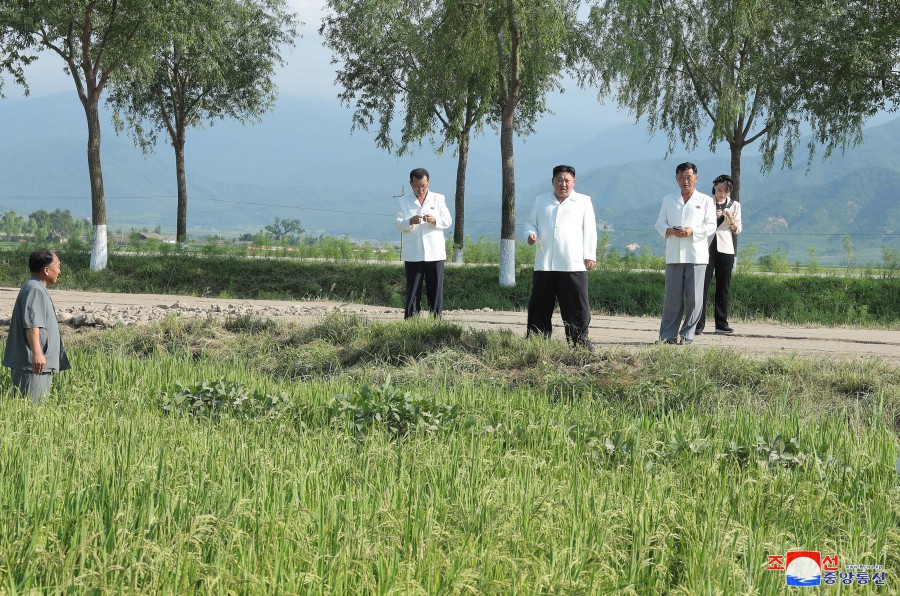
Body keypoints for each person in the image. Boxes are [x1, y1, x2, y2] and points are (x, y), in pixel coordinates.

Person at [525, 165, 598, 348]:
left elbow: (590, 230)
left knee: (576, 306)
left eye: (567, 180)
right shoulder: (541, 201)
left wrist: (589, 255)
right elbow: (529, 223)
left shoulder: (583, 201)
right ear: (552, 182)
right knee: (540, 306)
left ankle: (579, 342)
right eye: (559, 180)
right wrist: (531, 234)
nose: (563, 184)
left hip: (573, 264)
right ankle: (537, 342)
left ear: (574, 182)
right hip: (545, 264)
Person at [654, 162, 717, 344]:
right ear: (676, 178)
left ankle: (687, 334)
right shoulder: (669, 199)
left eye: (689, 177)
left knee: (695, 299)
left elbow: (711, 225)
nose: (685, 180)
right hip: (674, 255)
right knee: (672, 299)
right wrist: (670, 230)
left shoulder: (705, 201)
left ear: (696, 178)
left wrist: (692, 231)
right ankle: (667, 336)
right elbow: (659, 223)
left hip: (696, 255)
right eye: (681, 177)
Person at [3, 248, 70, 403]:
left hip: (35, 364)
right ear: (46, 270)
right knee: (33, 409)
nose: (59, 271)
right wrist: (37, 354)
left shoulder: (34, 287)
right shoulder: (34, 289)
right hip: (34, 365)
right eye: (57, 266)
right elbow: (32, 324)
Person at [395, 168, 452, 318]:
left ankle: (436, 320)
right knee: (413, 290)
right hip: (414, 253)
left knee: (435, 290)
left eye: (424, 186)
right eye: (417, 186)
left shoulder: (438, 199)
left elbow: (448, 221)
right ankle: (411, 322)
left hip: (435, 253)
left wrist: (435, 220)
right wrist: (410, 221)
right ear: (411, 184)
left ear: (428, 183)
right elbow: (398, 224)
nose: (420, 190)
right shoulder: (403, 201)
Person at [696, 174, 743, 334]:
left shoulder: (735, 205)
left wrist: (729, 218)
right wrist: (712, 219)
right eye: (719, 189)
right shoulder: (706, 202)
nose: (722, 193)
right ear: (714, 187)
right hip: (706, 247)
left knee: (723, 287)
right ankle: (698, 324)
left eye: (726, 191)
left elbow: (737, 229)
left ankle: (721, 324)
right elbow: (699, 223)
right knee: (701, 286)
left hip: (726, 248)